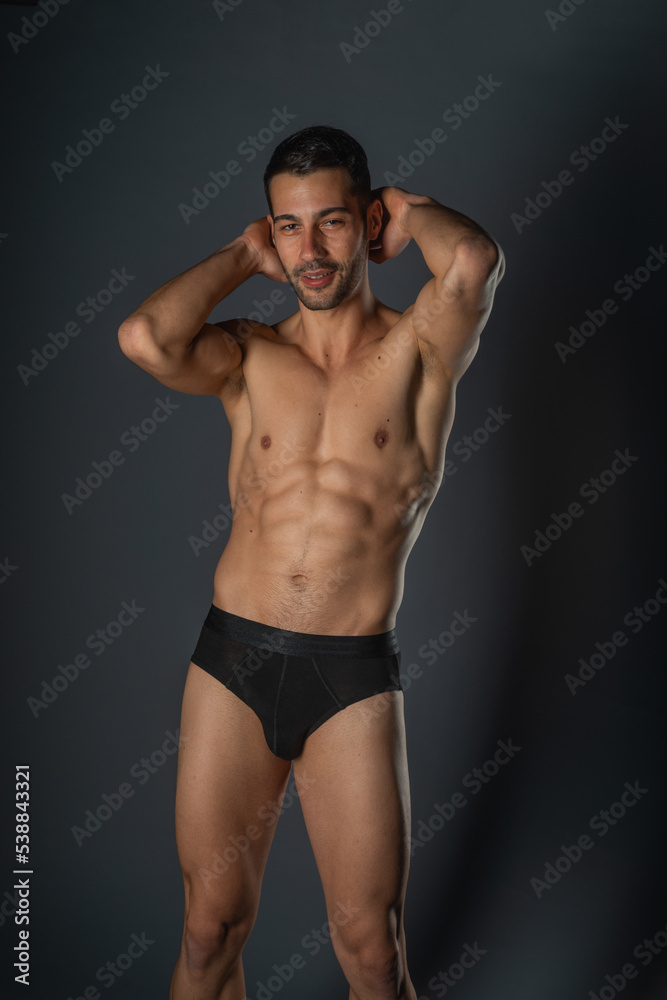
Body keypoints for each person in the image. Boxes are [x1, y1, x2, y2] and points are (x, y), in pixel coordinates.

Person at [118, 124, 505, 1000]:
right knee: (208, 930)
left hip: (349, 675)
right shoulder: (250, 354)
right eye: (288, 228)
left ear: (366, 222)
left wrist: (411, 210)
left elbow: (472, 264)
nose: (310, 249)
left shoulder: (421, 351)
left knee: (371, 952)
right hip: (233, 661)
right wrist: (236, 254)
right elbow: (145, 337)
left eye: (331, 223)